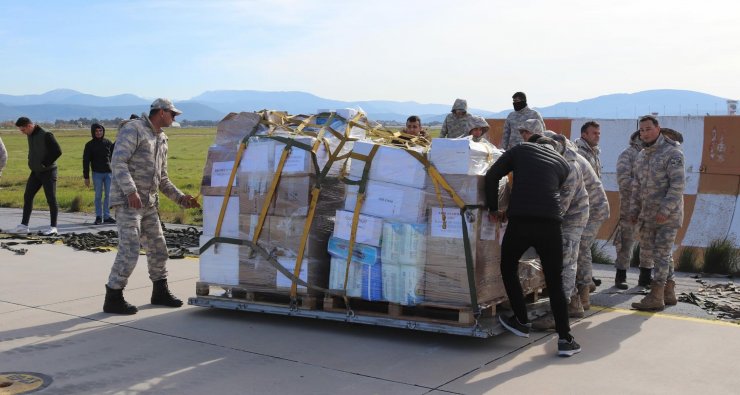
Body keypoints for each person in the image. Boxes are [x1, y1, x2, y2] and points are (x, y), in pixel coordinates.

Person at [485, 133, 581, 357]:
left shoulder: (521, 149)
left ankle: (520, 320)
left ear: (535, 144)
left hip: (521, 221)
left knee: (508, 266)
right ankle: (566, 340)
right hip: (550, 225)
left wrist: (492, 209)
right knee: (554, 281)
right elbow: (544, 190)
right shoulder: (563, 164)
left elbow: (492, 176)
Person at [103, 98, 200, 315]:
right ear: (161, 112)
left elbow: (162, 178)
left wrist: (181, 198)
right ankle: (113, 296)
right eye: (173, 114)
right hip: (128, 202)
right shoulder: (134, 129)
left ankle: (160, 291)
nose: (174, 118)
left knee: (158, 248)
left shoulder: (162, 139)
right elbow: (118, 162)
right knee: (129, 249)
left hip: (148, 204)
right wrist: (131, 191)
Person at [528, 132, 590, 331]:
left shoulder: (570, 167)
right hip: (557, 216)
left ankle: (559, 313)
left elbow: (561, 204)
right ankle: (574, 304)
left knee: (566, 261)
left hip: (572, 217)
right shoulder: (553, 161)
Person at [630, 116, 685, 311]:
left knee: (661, 255)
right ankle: (668, 292)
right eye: (642, 130)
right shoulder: (642, 155)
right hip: (648, 215)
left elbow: (677, 185)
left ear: (658, 129)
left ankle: (656, 295)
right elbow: (636, 186)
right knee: (661, 254)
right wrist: (634, 210)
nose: (644, 133)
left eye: (648, 129)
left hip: (667, 216)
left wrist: (665, 210)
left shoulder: (672, 153)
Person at [12, 117, 62, 236]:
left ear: (29, 126)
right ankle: (24, 226)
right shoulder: (30, 134)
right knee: (28, 196)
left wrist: (44, 163)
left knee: (51, 198)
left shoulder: (46, 134)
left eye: (23, 130)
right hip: (36, 172)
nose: (22, 132)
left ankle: (53, 227)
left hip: (48, 171)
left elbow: (58, 151)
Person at [614, 131, 647, 289]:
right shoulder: (627, 155)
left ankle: (645, 276)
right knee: (626, 241)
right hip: (630, 205)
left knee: (648, 241)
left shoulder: (651, 154)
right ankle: (621, 275)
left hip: (649, 205)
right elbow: (623, 180)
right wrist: (643, 187)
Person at [83, 123, 116, 225]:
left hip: (108, 173)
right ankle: (98, 216)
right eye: (96, 131)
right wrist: (86, 177)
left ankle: (106, 216)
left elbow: (115, 156)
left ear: (103, 131)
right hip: (97, 174)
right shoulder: (89, 145)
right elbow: (85, 161)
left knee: (108, 195)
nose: (98, 133)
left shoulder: (108, 143)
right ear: (93, 132)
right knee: (98, 196)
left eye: (100, 131)